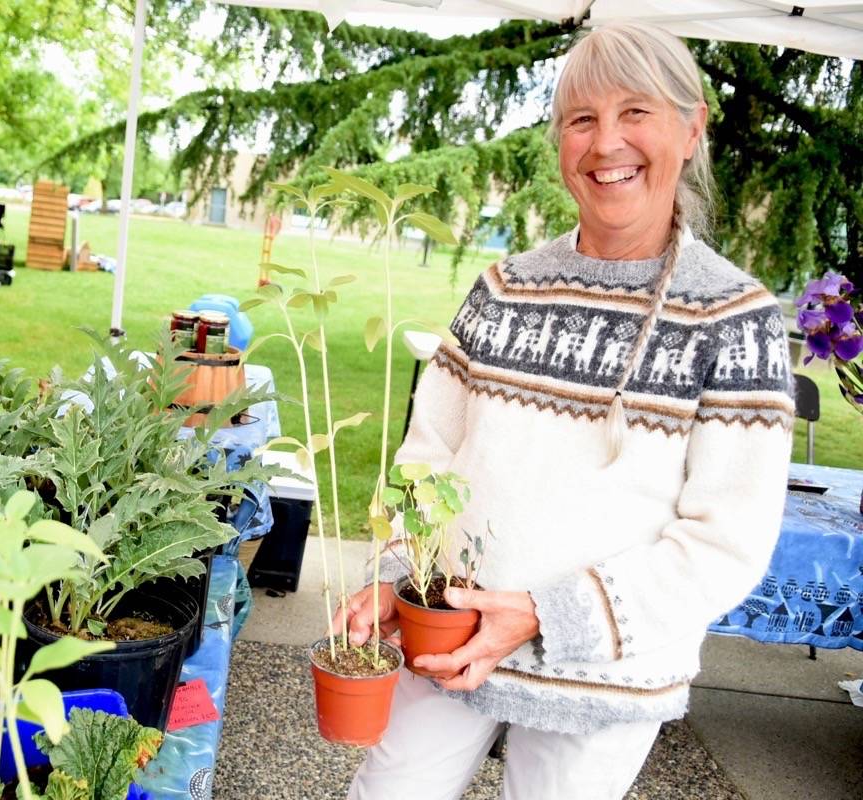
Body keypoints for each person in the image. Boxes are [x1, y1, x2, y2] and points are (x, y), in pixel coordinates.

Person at [334, 22, 793, 800]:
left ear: (691, 127)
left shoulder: (734, 319)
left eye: (635, 112)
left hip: (604, 675)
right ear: (559, 144)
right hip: (446, 633)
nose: (605, 142)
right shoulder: (505, 288)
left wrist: (549, 615)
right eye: (581, 119)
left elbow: (726, 544)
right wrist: (396, 574)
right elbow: (430, 453)